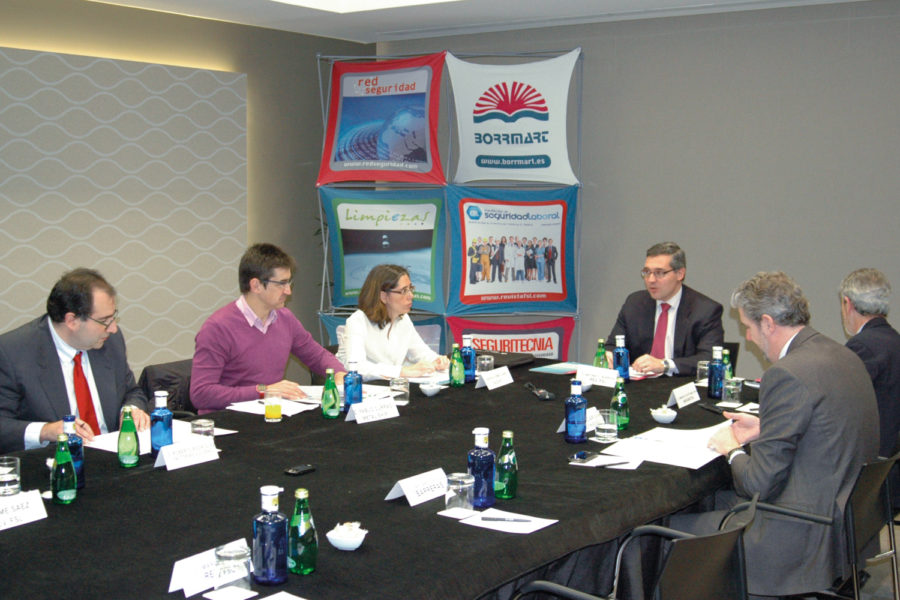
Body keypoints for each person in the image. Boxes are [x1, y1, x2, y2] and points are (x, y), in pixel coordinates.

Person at [696, 271, 878, 598]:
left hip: (798, 532)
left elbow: (758, 484)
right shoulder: (842, 354)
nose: (749, 338)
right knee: (709, 502)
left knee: (662, 532)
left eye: (748, 328)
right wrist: (767, 427)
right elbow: (830, 425)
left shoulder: (787, 373)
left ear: (767, 323)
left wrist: (731, 448)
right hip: (845, 522)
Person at [0, 268, 149, 453]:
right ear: (71, 320)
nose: (113, 329)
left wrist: (131, 410)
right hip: (55, 464)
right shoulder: (12, 353)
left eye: (114, 317)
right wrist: (46, 431)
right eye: (105, 320)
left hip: (112, 460)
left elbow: (132, 392)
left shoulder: (110, 342)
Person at [190, 243, 345, 413]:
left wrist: (338, 373)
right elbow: (201, 394)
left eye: (289, 283)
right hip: (228, 422)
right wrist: (264, 390)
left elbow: (317, 355)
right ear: (256, 285)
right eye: (282, 284)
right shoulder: (218, 328)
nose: (288, 291)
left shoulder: (285, 318)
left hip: (271, 416)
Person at [605, 241, 723, 376]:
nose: (651, 279)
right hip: (639, 386)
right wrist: (609, 355)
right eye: (647, 272)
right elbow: (612, 345)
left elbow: (709, 358)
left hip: (681, 386)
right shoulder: (634, 303)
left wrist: (664, 365)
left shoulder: (705, 310)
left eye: (659, 273)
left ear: (680, 274)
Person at [839, 268, 900, 504]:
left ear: (848, 304)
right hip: (889, 471)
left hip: (867, 478)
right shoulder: (895, 342)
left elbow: (840, 407)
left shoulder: (862, 347)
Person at [337, 264, 449, 381]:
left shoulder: (403, 318)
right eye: (404, 291)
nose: (411, 295)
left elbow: (421, 353)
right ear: (384, 296)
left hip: (388, 387)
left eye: (411, 288)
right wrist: (402, 371)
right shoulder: (357, 321)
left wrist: (437, 360)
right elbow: (356, 367)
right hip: (359, 390)